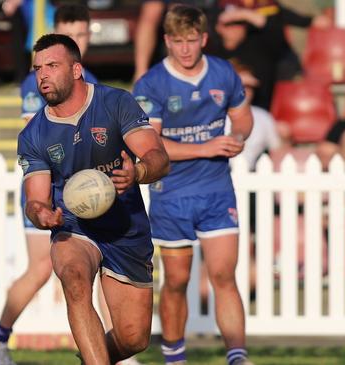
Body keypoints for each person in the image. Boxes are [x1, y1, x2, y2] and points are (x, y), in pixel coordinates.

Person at [17, 33, 169, 365]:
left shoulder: (115, 103)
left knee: (133, 339)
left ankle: (91, 359)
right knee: (73, 276)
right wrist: (42, 214)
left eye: (52, 65)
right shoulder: (33, 134)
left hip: (124, 229)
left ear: (76, 70)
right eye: (37, 68)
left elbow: (158, 156)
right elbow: (36, 199)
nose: (42, 75)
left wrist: (138, 174)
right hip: (74, 228)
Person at [133, 4, 253, 365]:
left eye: (191, 41)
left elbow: (242, 117)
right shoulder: (151, 84)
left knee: (223, 275)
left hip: (217, 191)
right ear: (166, 41)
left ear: (203, 38)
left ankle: (237, 356)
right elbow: (151, 146)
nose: (185, 49)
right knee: (176, 280)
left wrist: (239, 137)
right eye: (177, 41)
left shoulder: (222, 73)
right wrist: (208, 146)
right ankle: (175, 357)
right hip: (172, 194)